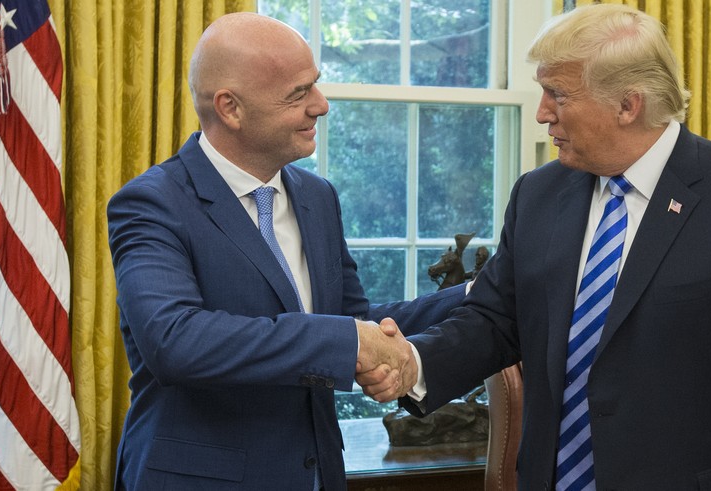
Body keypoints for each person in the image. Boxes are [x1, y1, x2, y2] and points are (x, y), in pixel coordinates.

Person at [359, 4, 711, 490]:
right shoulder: (539, 194)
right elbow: (495, 319)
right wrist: (412, 364)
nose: (542, 112)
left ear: (629, 105)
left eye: (557, 94)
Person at [107, 12, 463, 490]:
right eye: (299, 94)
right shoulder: (152, 202)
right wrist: (349, 343)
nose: (321, 105)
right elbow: (175, 341)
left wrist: (477, 294)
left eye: (315, 85)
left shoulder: (317, 196)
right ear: (230, 108)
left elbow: (353, 319)